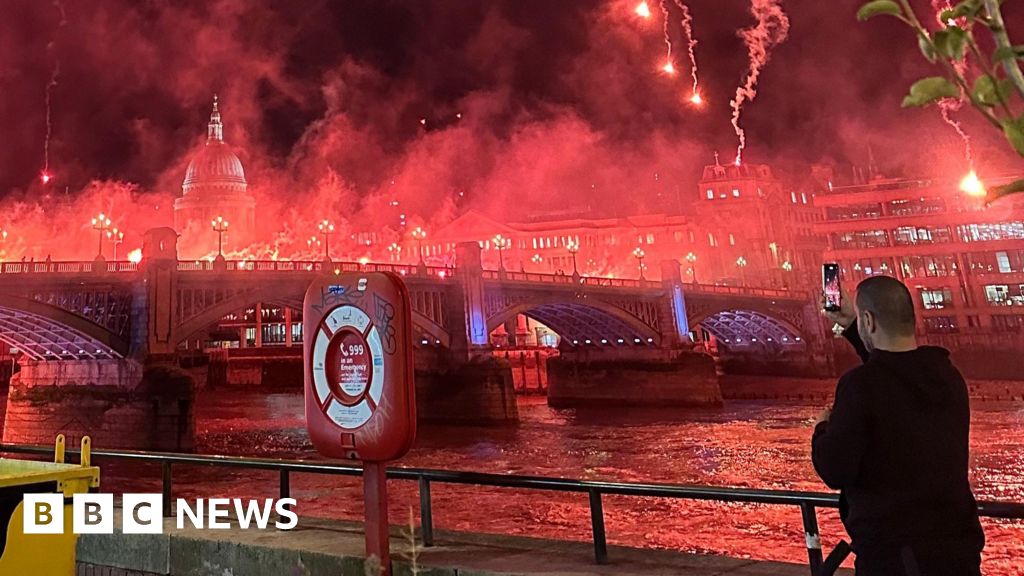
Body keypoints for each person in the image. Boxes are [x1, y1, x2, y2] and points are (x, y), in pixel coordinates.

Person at [812, 275, 984, 575]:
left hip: (894, 557)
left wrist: (821, 429)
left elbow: (834, 469)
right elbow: (894, 375)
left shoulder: (859, 386)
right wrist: (855, 327)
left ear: (869, 320)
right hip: (958, 549)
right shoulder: (947, 376)